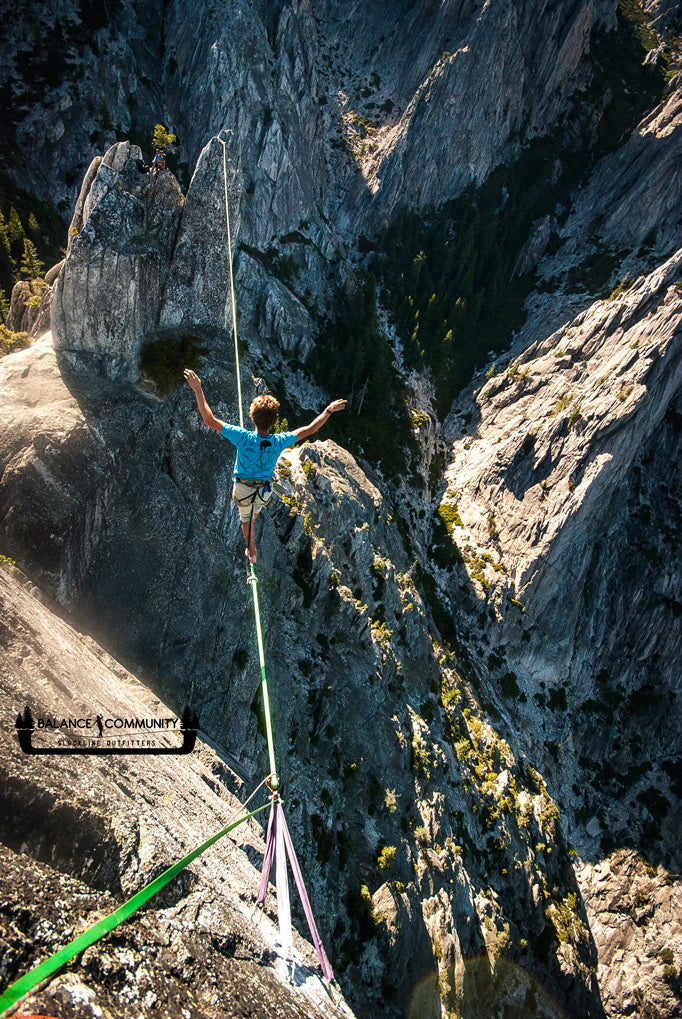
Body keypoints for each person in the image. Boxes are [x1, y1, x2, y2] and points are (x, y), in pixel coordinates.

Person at [184, 369, 346, 563]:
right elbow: (311, 428)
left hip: (243, 488)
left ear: (252, 417)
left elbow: (209, 420)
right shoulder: (279, 441)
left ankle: (251, 551)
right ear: (274, 419)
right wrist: (328, 409)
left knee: (246, 520)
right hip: (264, 491)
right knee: (251, 518)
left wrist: (198, 390)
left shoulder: (242, 437)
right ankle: (251, 546)